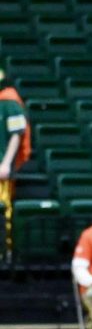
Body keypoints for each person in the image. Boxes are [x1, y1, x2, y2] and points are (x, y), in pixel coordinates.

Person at [0, 74, 31, 249]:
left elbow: (17, 134)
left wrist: (5, 163)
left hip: (1, 168)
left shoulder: (9, 102)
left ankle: (4, 250)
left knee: (2, 209)